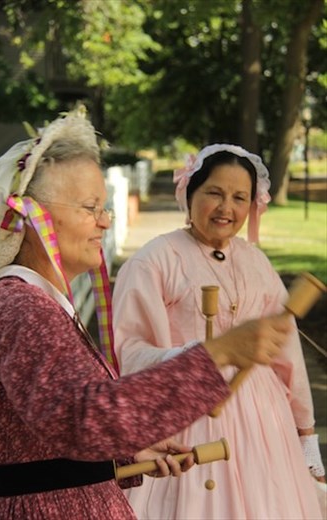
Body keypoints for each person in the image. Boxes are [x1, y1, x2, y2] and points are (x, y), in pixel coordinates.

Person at [0, 114, 292, 520]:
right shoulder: (23, 309)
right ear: (31, 217)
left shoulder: (34, 304)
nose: (106, 221)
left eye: (105, 207)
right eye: (90, 208)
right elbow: (84, 416)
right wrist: (216, 355)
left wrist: (125, 453)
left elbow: (45, 437)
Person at [112, 144, 325, 520]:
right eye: (215, 193)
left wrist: (305, 431)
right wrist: (201, 355)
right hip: (186, 420)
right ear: (190, 193)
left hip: (263, 423)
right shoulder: (153, 261)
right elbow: (130, 353)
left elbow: (287, 354)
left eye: (239, 197)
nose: (227, 208)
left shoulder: (256, 262)